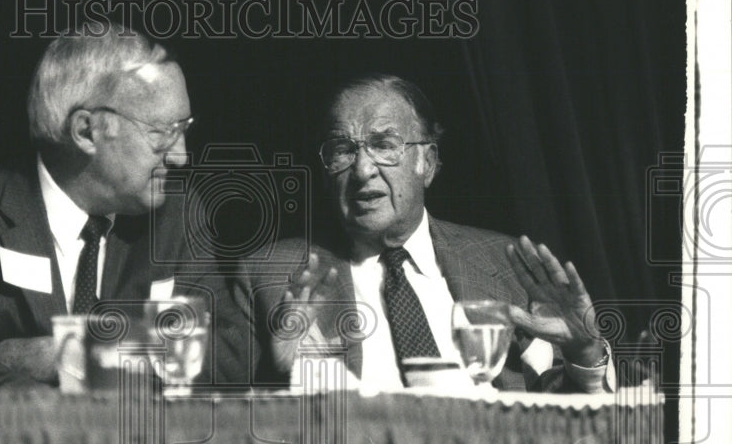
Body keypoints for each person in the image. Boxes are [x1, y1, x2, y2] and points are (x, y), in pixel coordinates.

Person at [207, 74, 615, 394]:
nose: (363, 170)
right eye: (342, 150)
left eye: (385, 145)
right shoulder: (270, 276)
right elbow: (221, 430)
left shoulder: (506, 265)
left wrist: (585, 352)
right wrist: (280, 378)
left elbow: (571, 434)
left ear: (429, 162)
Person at [0, 22, 200, 390]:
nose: (181, 157)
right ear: (86, 131)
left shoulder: (176, 220)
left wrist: (67, 355)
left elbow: (225, 354)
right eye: (163, 133)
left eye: (184, 128)